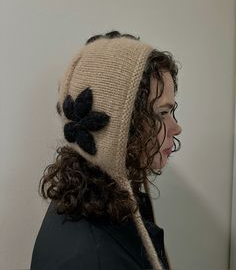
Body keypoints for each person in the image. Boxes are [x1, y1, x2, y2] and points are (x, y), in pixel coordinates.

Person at [30, 30, 182, 270]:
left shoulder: (100, 201)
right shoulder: (92, 259)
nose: (176, 127)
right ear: (121, 126)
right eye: (163, 113)